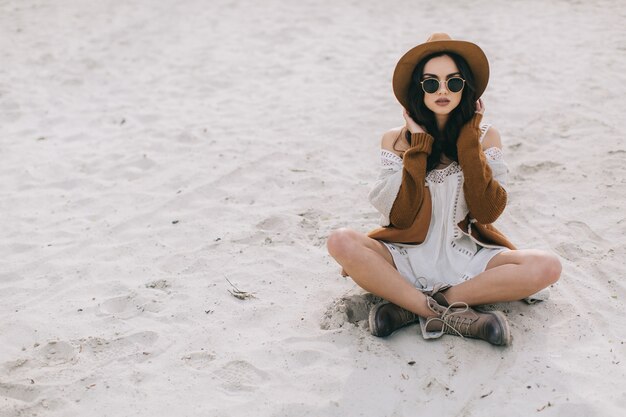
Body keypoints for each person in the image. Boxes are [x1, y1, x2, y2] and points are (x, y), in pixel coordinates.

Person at [326, 33, 561, 346]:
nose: (442, 91)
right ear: (417, 89)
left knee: (548, 265)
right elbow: (402, 215)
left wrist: (468, 141)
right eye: (431, 83)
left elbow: (486, 211)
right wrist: (418, 146)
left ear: (465, 88)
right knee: (340, 241)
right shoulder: (395, 140)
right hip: (404, 256)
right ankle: (445, 313)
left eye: (453, 82)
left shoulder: (485, 137)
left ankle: (414, 308)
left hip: (467, 256)